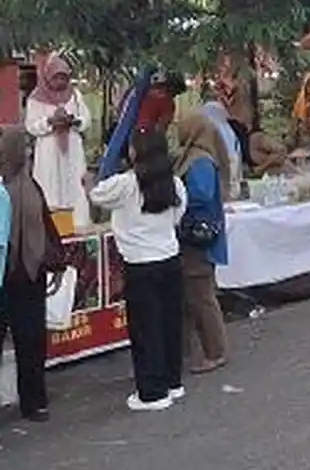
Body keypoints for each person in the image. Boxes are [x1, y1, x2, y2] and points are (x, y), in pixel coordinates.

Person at [89, 130, 187, 412]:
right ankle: (172, 381)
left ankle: (153, 392)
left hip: (140, 264)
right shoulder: (175, 185)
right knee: (169, 323)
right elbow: (178, 217)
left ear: (135, 153)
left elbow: (97, 194)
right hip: (169, 258)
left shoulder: (126, 184)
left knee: (146, 329)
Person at [0, 127, 65, 422]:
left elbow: (46, 225)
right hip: (21, 274)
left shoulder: (27, 184)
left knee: (31, 340)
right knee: (30, 339)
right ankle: (34, 403)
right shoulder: (19, 186)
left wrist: (57, 262)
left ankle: (35, 400)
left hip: (23, 274)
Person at [173, 113, 230, 374]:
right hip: (196, 234)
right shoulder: (196, 157)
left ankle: (215, 351)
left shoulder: (199, 161)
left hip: (197, 237)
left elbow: (201, 195)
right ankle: (193, 350)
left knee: (202, 296)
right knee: (193, 295)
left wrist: (176, 202)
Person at [24, 55, 91, 231]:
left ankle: (78, 231)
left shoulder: (75, 95)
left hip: (72, 149)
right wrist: (49, 122)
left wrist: (74, 121)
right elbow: (30, 126)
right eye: (56, 77)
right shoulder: (36, 98)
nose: (60, 81)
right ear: (48, 77)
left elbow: (86, 119)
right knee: (49, 191)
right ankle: (52, 232)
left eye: (64, 77)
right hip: (48, 151)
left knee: (76, 188)